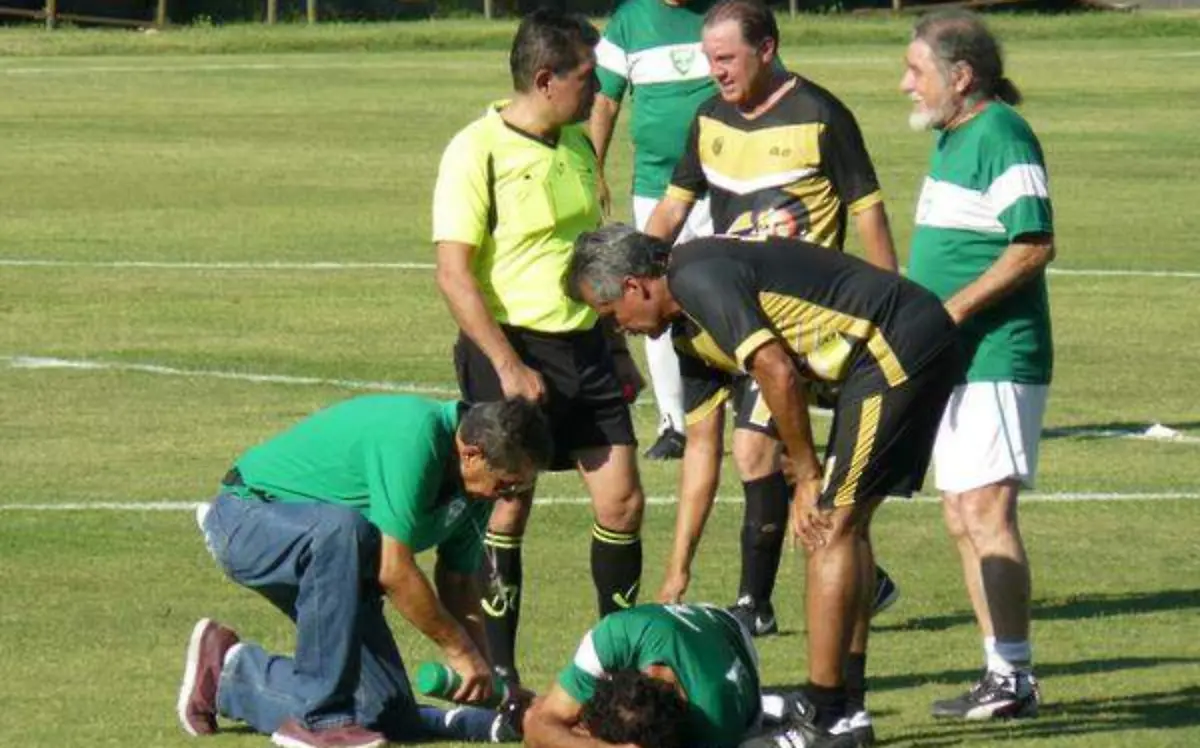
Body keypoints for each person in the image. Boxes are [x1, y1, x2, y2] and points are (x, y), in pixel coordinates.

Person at [567, 225, 965, 746]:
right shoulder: (684, 329)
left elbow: (776, 370)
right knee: (848, 527)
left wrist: (805, 475)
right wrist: (677, 568)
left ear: (635, 285)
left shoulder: (694, 276)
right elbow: (702, 453)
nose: (619, 329)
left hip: (892, 341)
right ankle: (848, 710)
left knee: (827, 527)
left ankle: (824, 713)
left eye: (610, 314)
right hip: (894, 344)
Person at [641, 0, 900, 638]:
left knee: (754, 449)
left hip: (801, 318)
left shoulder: (821, 114)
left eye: (726, 58)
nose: (716, 72)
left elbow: (867, 212)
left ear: (767, 48)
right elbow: (672, 211)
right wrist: (641, 269)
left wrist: (888, 299)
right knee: (778, 459)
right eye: (709, 60)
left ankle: (754, 603)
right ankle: (865, 571)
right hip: (730, 311)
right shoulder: (708, 119)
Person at [432, 10, 648, 691]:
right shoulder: (476, 150)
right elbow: (454, 273)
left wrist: (616, 352)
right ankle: (501, 677)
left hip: (585, 347)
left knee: (623, 502)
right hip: (510, 348)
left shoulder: (580, 146)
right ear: (547, 78)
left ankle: (617, 673)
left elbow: (593, 261)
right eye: (588, 77)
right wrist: (506, 364)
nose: (598, 90)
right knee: (508, 503)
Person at [177, 396, 553, 748]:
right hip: (246, 521)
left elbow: (456, 582)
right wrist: (459, 649)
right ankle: (320, 722)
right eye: (506, 483)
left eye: (519, 486)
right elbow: (394, 570)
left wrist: (490, 678)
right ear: (471, 454)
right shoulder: (415, 436)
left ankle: (228, 674)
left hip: (337, 565)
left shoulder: (475, 491)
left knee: (385, 715)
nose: (508, 495)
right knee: (346, 529)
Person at [901, 9, 1055, 720]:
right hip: (957, 361)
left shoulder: (1000, 133)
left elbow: (1032, 244)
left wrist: (954, 311)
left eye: (917, 71)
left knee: (986, 512)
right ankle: (1000, 673)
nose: (906, 84)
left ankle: (1015, 677)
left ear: (960, 77)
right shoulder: (953, 138)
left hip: (996, 355)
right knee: (961, 514)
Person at [588, 0, 721, 461]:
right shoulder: (629, 20)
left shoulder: (725, 13)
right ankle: (673, 422)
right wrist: (595, 167)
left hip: (724, 182)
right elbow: (604, 98)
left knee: (729, 295)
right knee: (650, 300)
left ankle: (743, 406)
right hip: (656, 188)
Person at [524, 602, 839, 748]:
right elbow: (537, 723)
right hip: (687, 626)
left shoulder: (715, 720)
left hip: (729, 637)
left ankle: (779, 726)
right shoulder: (614, 637)